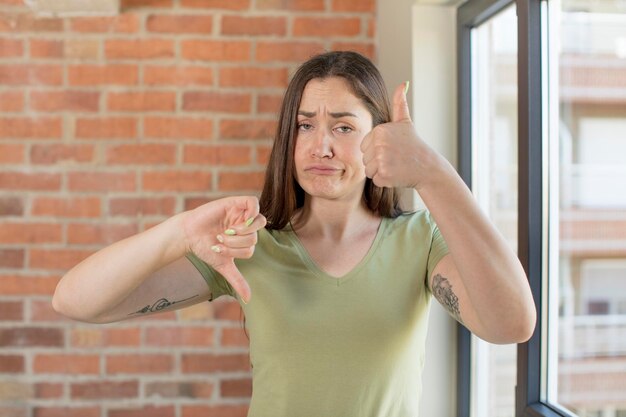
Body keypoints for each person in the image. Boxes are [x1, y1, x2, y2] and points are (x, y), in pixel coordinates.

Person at [53, 51, 536, 416]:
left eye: (344, 127)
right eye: (306, 125)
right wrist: (179, 232)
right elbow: (74, 301)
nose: (320, 146)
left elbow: (512, 324)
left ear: (381, 137)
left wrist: (433, 173)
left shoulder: (420, 241)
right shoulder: (249, 244)